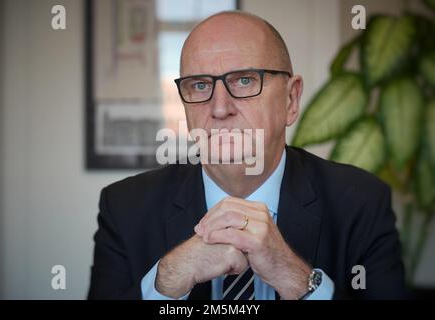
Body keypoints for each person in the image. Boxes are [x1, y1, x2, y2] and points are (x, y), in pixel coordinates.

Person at [88, 11, 407, 300]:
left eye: (244, 80)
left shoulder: (362, 202)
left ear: (291, 100)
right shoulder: (125, 207)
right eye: (199, 86)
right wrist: (165, 284)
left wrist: (293, 276)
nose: (220, 108)